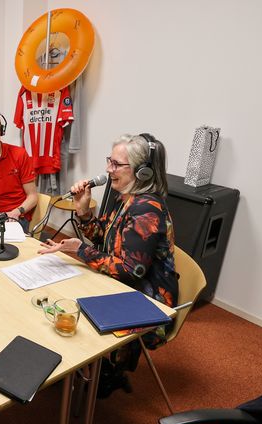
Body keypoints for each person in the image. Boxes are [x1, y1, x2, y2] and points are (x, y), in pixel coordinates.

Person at [39, 133, 179, 397]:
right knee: (63, 290)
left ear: (143, 172)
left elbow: (130, 270)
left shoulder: (146, 210)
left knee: (74, 303)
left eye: (116, 164)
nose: (108, 169)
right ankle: (88, 368)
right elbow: (103, 238)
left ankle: (97, 372)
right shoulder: (127, 199)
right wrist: (83, 211)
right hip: (125, 285)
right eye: (109, 161)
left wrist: (80, 250)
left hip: (150, 300)